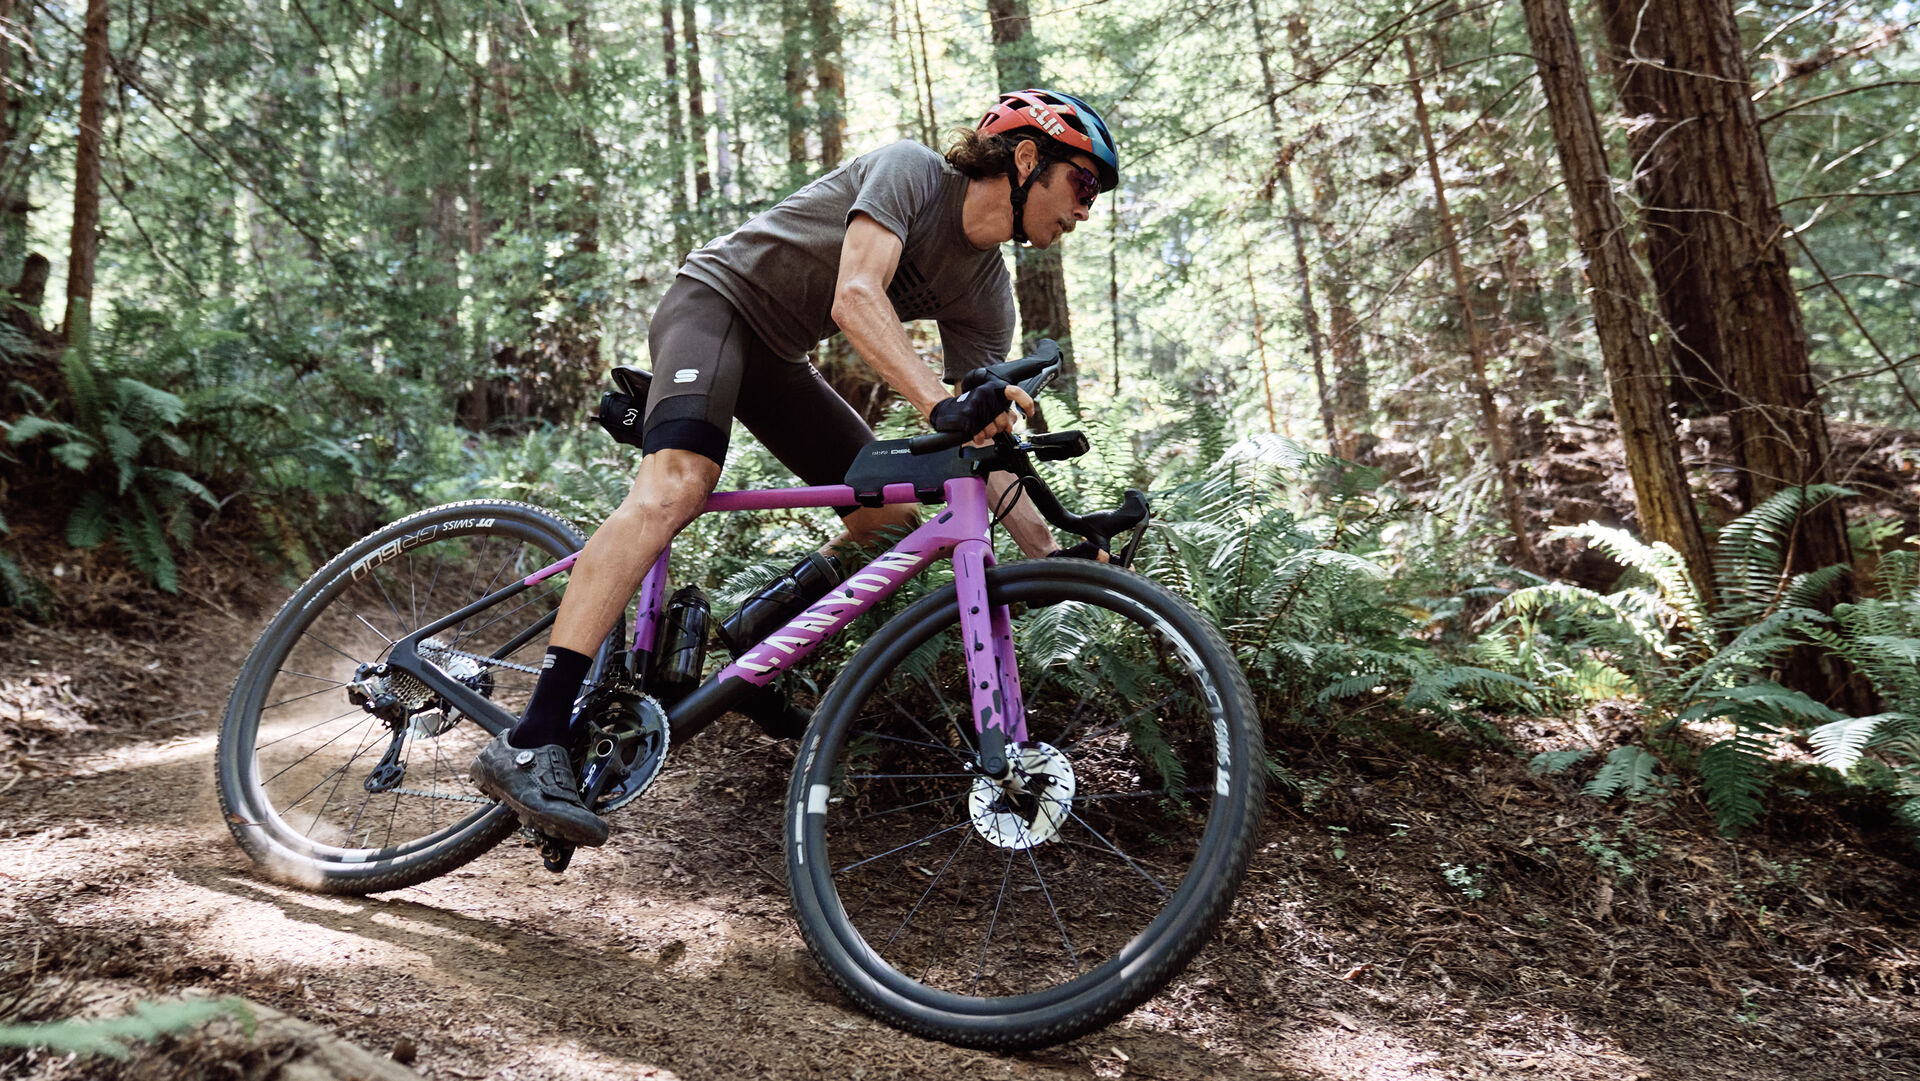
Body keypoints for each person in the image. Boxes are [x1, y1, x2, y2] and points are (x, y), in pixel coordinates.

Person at [470, 88, 1121, 847]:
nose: (1086, 209)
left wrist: (1052, 549)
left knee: (888, 515)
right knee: (680, 482)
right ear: (1026, 160)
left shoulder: (986, 293)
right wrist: (937, 400)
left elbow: (980, 445)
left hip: (775, 359)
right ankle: (532, 736)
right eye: (1082, 185)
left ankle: (753, 636)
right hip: (715, 305)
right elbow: (854, 296)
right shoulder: (911, 172)